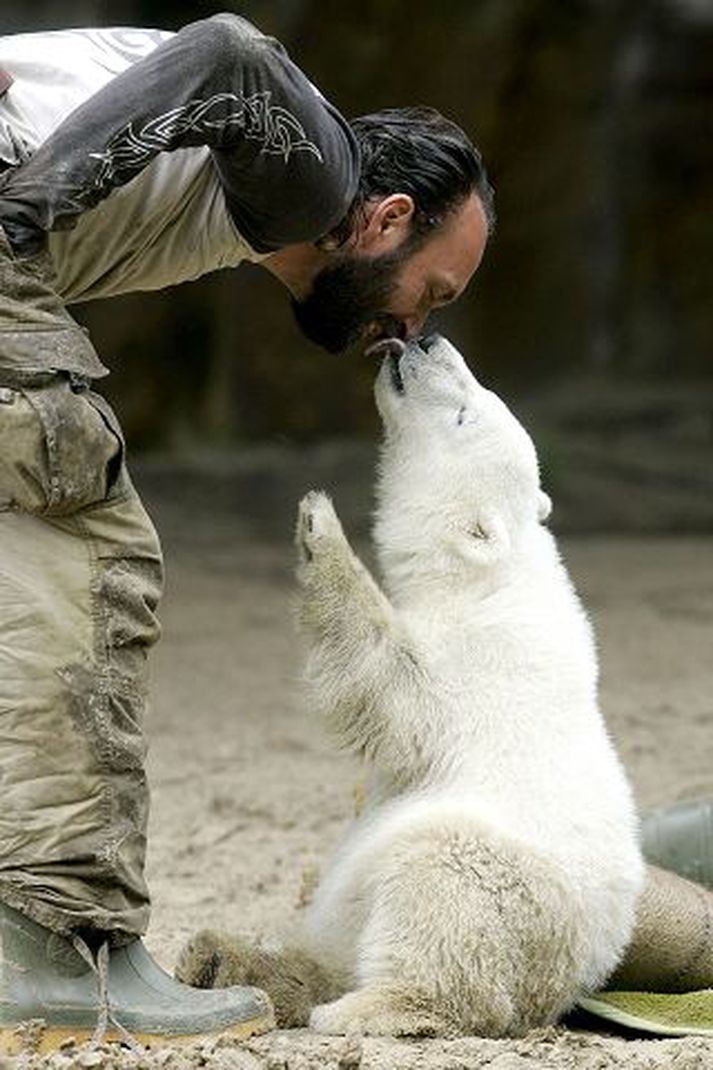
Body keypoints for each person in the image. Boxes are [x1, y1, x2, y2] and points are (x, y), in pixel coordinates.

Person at [0, 10, 709, 1052]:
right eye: (431, 291)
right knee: (89, 558)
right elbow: (232, 50)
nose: (413, 328)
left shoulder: (237, 192)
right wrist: (24, 212)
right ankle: (56, 954)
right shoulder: (316, 177)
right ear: (383, 219)